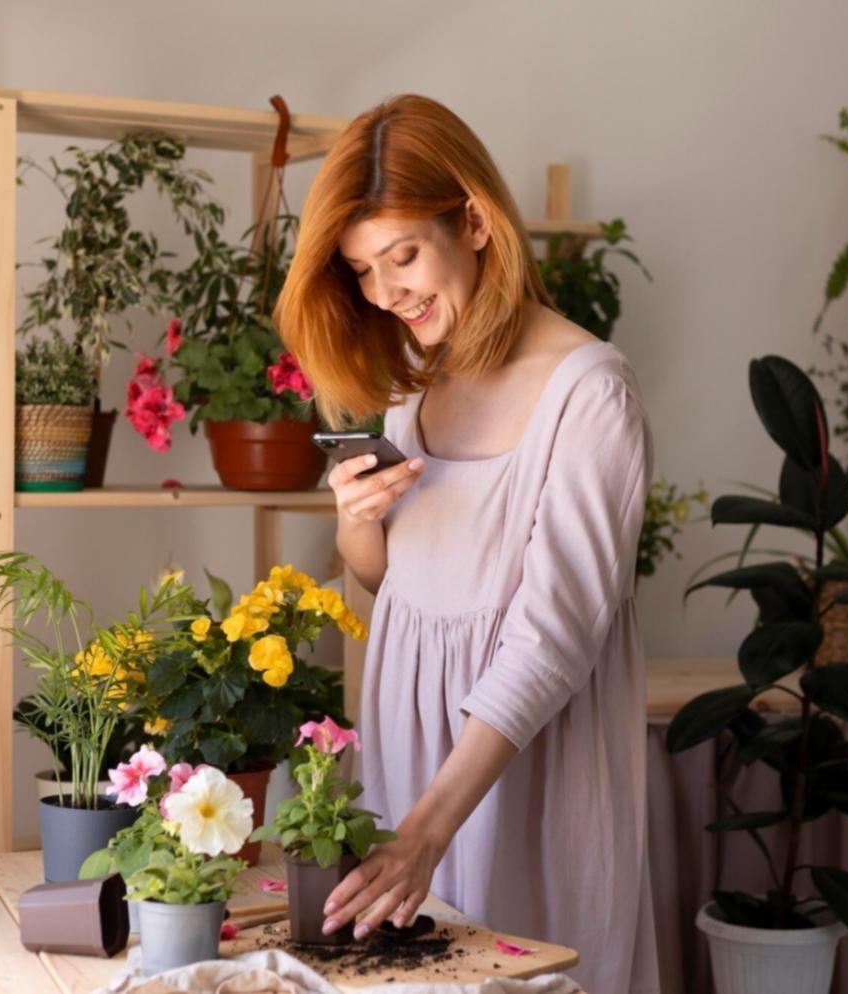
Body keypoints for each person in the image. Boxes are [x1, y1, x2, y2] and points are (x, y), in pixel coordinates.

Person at [275, 94, 660, 994]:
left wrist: (427, 833)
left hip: (517, 779)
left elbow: (552, 638)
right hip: (411, 770)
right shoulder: (418, 393)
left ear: (477, 221)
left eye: (402, 254)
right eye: (363, 269)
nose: (384, 292)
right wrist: (357, 520)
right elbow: (391, 587)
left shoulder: (590, 395)